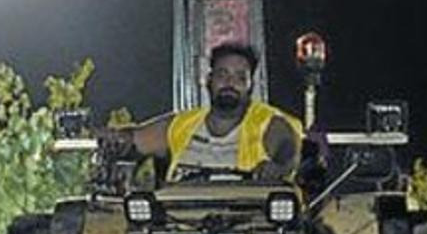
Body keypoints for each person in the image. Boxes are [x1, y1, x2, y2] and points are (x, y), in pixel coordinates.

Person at [98, 42, 303, 183]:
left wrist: (276, 167)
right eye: (223, 74)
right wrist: (112, 137)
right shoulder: (183, 124)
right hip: (181, 228)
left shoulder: (268, 122)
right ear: (208, 80)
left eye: (240, 77)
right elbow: (135, 138)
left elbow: (286, 147)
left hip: (250, 233)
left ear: (250, 86)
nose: (230, 83)